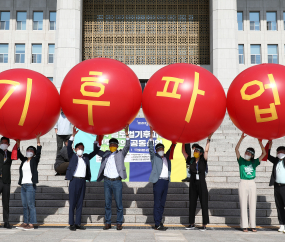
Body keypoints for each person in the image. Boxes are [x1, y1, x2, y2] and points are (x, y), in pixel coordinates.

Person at [96, 125, 130, 231]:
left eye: (114, 144)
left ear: (117, 145)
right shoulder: (106, 154)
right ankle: (108, 222)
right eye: (111, 144)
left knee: (119, 203)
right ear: (109, 145)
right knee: (107, 203)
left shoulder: (120, 153)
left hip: (117, 182)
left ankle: (119, 223)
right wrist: (97, 138)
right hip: (107, 181)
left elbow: (127, 146)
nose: (113, 146)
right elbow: (96, 150)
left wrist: (126, 133)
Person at [66, 127, 100, 231]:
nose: (81, 150)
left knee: (80, 203)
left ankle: (78, 223)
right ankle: (71, 224)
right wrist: (73, 135)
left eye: (82, 148)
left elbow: (95, 152)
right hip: (74, 181)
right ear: (75, 149)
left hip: (82, 181)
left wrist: (97, 140)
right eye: (79, 148)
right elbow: (68, 147)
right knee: (73, 203)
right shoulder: (72, 156)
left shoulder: (85, 157)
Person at [235, 133, 266, 232]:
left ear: (252, 155)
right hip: (243, 182)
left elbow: (264, 154)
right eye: (246, 153)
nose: (246, 154)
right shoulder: (241, 161)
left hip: (252, 182)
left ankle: (253, 225)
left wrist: (260, 142)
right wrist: (241, 138)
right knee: (243, 204)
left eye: (248, 153)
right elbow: (236, 149)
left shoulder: (255, 162)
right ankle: (244, 225)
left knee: (253, 204)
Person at [148, 126, 176, 231]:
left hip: (165, 181)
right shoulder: (154, 157)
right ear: (156, 150)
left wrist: (175, 141)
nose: (161, 150)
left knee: (162, 203)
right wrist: (151, 134)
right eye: (159, 149)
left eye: (162, 149)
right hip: (158, 181)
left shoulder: (167, 157)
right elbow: (150, 147)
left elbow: (172, 148)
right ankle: (156, 224)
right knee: (157, 203)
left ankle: (160, 222)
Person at [185, 133, 213, 231]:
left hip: (201, 183)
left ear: (200, 153)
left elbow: (206, 150)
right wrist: (182, 142)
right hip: (193, 183)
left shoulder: (203, 160)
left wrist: (208, 140)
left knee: (203, 203)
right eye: (195, 151)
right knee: (192, 203)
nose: (195, 152)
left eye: (197, 151)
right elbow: (183, 153)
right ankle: (191, 223)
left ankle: (204, 224)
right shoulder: (191, 160)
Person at [16, 134, 42, 231]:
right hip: (23, 185)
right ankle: (25, 222)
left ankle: (31, 224)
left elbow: (39, 153)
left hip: (30, 185)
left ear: (34, 153)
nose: (29, 151)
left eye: (31, 150)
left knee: (31, 205)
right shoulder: (24, 161)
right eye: (28, 150)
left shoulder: (35, 160)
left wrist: (38, 141)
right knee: (24, 205)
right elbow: (19, 155)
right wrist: (18, 144)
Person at [267, 140, 285, 233]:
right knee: (279, 206)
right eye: (278, 152)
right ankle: (282, 225)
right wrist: (270, 146)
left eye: (282, 152)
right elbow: (268, 156)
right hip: (277, 187)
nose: (279, 153)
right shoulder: (276, 161)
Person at [0, 137, 13, 229]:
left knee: (6, 203)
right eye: (2, 142)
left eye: (5, 142)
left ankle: (6, 221)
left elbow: (19, 155)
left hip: (6, 181)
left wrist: (18, 144)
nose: (4, 144)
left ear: (8, 144)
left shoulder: (10, 154)